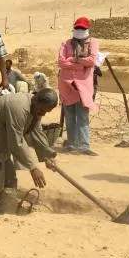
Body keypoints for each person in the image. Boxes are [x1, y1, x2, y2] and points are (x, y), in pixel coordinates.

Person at [0, 89, 59, 219]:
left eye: (46, 112)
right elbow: (16, 142)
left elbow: (36, 131)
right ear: (35, 99)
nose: (42, 114)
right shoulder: (18, 106)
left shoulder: (36, 108)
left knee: (9, 179)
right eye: (41, 110)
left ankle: (5, 209)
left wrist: (47, 156)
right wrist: (33, 168)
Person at [58, 16, 100, 156]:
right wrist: (80, 64)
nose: (79, 30)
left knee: (82, 115)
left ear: (87, 29)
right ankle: (71, 143)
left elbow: (92, 60)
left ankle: (83, 145)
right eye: (77, 28)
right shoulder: (66, 43)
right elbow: (61, 62)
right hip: (67, 84)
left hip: (84, 84)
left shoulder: (93, 42)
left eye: (82, 28)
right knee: (70, 115)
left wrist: (72, 60)